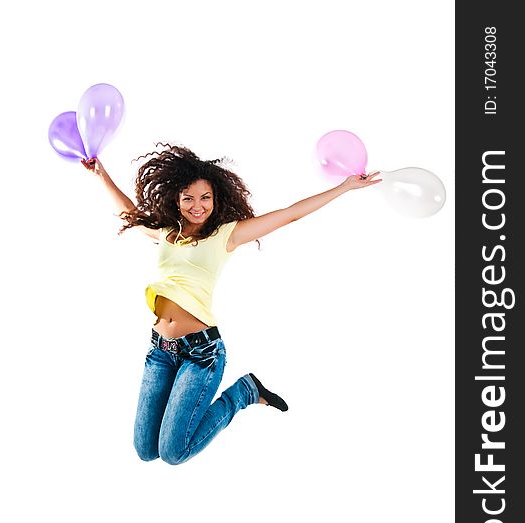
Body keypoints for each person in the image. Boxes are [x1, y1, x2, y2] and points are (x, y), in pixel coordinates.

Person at [82, 143, 381, 465]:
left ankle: (245, 392)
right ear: (176, 200)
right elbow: (129, 213)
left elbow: (290, 214)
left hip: (201, 353)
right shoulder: (166, 235)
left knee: (173, 453)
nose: (198, 206)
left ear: (216, 199)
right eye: (189, 198)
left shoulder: (226, 235)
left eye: (205, 198)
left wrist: (345, 187)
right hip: (160, 351)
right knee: (145, 451)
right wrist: (101, 174)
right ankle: (240, 393)